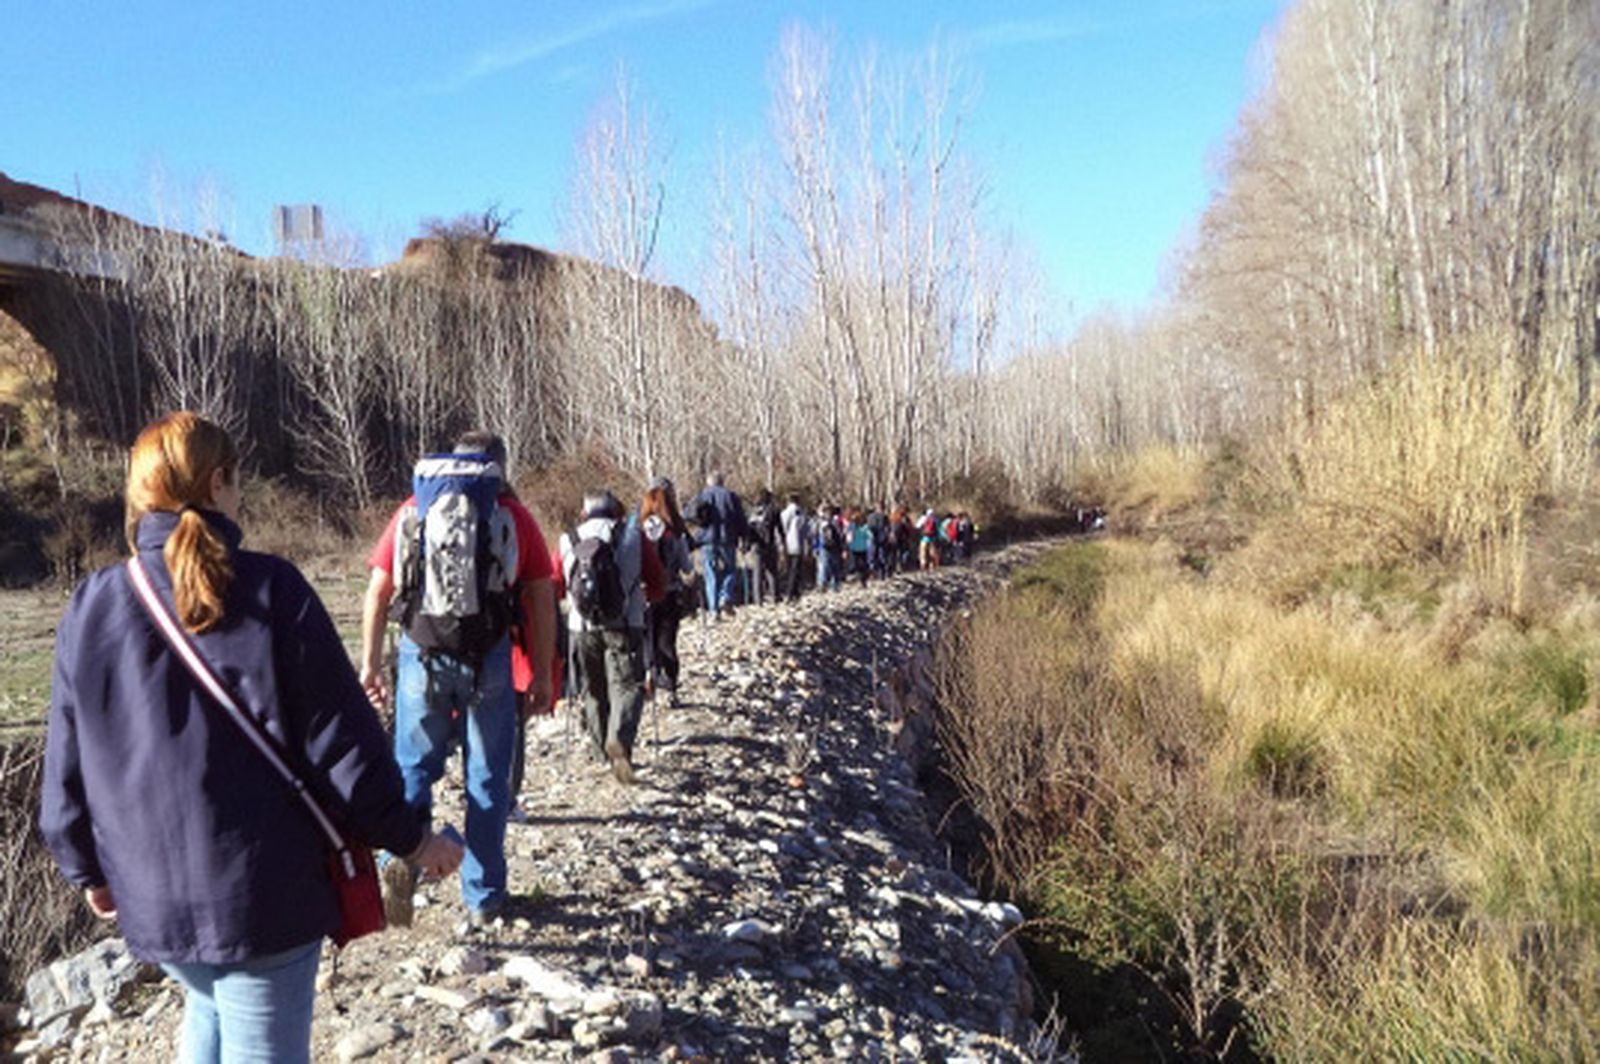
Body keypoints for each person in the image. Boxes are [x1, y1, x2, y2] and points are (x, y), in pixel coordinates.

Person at [40, 412, 463, 1063]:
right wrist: (412, 839)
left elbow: (65, 762)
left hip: (149, 893)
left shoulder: (92, 603)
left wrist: (86, 868)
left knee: (208, 1009)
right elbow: (342, 746)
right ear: (218, 483)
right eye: (236, 482)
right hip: (262, 896)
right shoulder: (273, 589)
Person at [359, 431, 555, 929]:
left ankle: (400, 861)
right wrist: (541, 673)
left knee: (413, 768)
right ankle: (483, 897)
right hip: (489, 657)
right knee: (487, 780)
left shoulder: (414, 508)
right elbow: (541, 597)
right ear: (499, 467)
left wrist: (370, 664)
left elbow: (378, 590)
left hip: (421, 653)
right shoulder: (513, 515)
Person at [561, 490, 664, 783]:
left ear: (584, 512)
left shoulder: (568, 539)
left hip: (581, 627)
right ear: (615, 511)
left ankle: (600, 752)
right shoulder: (633, 536)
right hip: (625, 623)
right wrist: (646, 597)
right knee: (627, 686)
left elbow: (556, 581)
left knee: (592, 689)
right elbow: (657, 581)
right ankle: (619, 739)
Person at [639, 478, 694, 706]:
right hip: (670, 593)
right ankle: (671, 687)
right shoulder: (675, 532)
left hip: (643, 596)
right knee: (667, 641)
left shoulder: (638, 530)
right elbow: (687, 567)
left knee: (646, 640)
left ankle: (649, 673)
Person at [687, 471, 748, 620]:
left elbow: (687, 513)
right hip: (727, 539)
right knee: (730, 570)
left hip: (706, 540)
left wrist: (697, 526)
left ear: (708, 482)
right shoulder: (731, 496)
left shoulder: (701, 495)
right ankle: (725, 597)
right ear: (722, 482)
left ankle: (713, 610)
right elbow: (740, 519)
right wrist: (744, 537)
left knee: (710, 573)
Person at [747, 488, 781, 605]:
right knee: (771, 571)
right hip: (769, 543)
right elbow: (779, 528)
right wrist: (782, 542)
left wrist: (746, 544)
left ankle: (758, 599)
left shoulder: (753, 512)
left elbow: (749, 529)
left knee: (757, 572)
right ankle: (775, 595)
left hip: (756, 544)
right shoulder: (773, 510)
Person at [779, 493, 810, 602]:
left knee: (790, 570)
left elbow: (783, 527)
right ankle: (795, 592)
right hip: (799, 544)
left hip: (788, 543)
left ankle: (790, 593)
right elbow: (806, 530)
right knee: (796, 569)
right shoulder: (802, 513)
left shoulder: (786, 512)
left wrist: (781, 543)